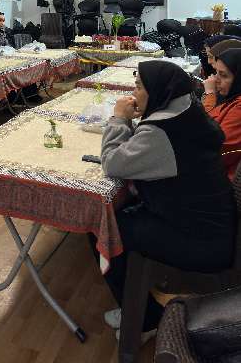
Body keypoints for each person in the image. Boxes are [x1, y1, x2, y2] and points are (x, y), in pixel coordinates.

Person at [99, 60, 236, 338]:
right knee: (123, 209)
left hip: (201, 241)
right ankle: (139, 302)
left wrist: (119, 119)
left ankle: (145, 320)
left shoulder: (161, 131)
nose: (133, 93)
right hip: (212, 225)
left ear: (159, 91)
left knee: (106, 229)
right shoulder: (187, 110)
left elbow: (112, 163)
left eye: (139, 87)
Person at [203, 48, 241, 180]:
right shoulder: (232, 97)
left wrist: (210, 94)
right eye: (216, 73)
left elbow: (213, 145)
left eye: (223, 75)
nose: (215, 80)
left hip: (219, 178)